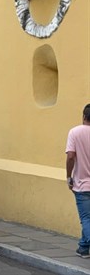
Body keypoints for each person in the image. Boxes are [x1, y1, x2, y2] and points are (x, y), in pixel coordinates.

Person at [66, 103, 90, 258]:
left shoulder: (75, 132)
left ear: (83, 116)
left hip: (81, 184)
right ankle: (83, 248)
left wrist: (69, 176)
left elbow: (70, 157)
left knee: (86, 218)